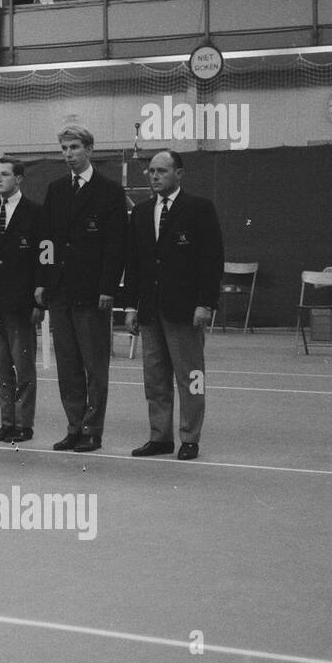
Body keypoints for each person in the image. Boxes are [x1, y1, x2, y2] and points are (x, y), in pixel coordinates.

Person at [123, 150, 224, 461]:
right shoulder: (140, 213)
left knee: (190, 376)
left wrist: (205, 304)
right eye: (151, 171)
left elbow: (211, 260)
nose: (155, 176)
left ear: (179, 173)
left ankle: (190, 437)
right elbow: (135, 263)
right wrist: (130, 307)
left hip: (185, 311)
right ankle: (160, 437)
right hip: (150, 311)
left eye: (162, 171)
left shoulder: (199, 209)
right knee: (155, 379)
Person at [35, 126, 127, 452]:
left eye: (74, 147)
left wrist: (108, 288)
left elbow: (116, 247)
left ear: (89, 148)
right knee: (68, 366)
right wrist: (43, 282)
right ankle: (74, 426)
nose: (68, 154)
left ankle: (92, 430)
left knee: (94, 366)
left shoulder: (110, 192)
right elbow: (45, 240)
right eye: (63, 148)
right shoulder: (56, 189)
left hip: (92, 294)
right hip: (60, 292)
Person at [0, 157, 42, 443]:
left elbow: (46, 257)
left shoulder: (37, 214)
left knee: (24, 368)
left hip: (23, 306)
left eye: (4, 174)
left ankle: (24, 424)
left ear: (19, 179)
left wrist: (40, 300)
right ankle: (7, 422)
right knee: (1, 368)